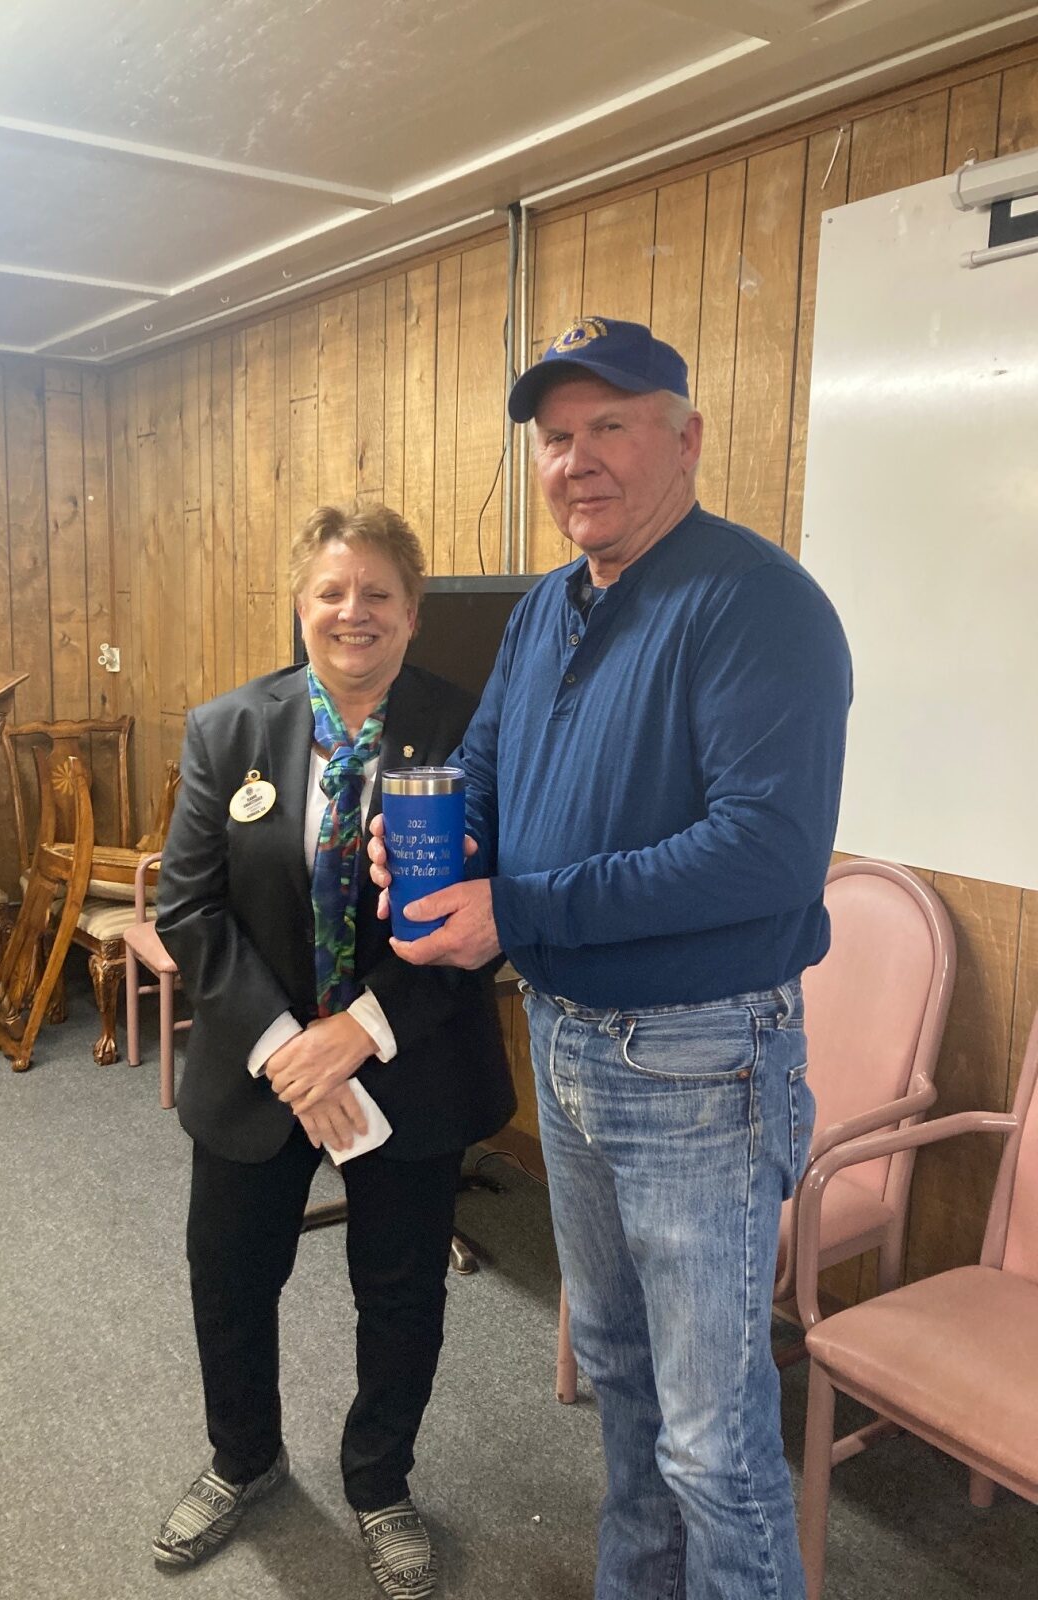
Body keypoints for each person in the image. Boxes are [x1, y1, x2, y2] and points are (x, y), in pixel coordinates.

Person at [369, 318, 852, 1600]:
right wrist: (427, 841)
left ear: (685, 439)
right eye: (555, 437)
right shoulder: (547, 608)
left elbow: (764, 854)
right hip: (573, 1045)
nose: (577, 458)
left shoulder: (757, 603)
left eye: (611, 427)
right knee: (625, 1385)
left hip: (697, 1061)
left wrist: (514, 908)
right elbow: (483, 773)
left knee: (712, 1443)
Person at [154, 502, 515, 1599]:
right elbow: (189, 910)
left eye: (379, 593)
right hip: (259, 1065)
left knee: (401, 1290)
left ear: (413, 612)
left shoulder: (471, 732)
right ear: (300, 604)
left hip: (411, 1057)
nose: (353, 611)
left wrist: (358, 1034)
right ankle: (243, 1458)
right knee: (229, 1275)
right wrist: (291, 1051)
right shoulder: (228, 729)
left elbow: (482, 915)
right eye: (331, 591)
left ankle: (380, 1483)